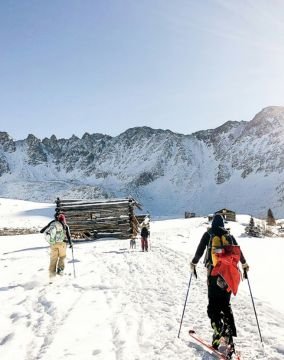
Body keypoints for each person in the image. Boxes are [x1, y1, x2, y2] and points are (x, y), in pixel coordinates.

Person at [190, 214, 249, 354]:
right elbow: (238, 252)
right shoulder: (229, 235)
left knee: (213, 306)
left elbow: (200, 250)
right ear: (223, 223)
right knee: (225, 305)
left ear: (212, 223)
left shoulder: (209, 234)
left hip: (214, 275)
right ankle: (228, 338)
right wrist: (245, 265)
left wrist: (193, 263)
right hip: (228, 277)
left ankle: (218, 332)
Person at [40, 213, 73, 278]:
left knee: (53, 259)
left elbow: (42, 231)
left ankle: (51, 275)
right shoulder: (65, 225)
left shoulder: (53, 223)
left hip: (53, 244)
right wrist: (71, 243)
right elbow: (68, 236)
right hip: (62, 244)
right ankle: (60, 269)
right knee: (62, 256)